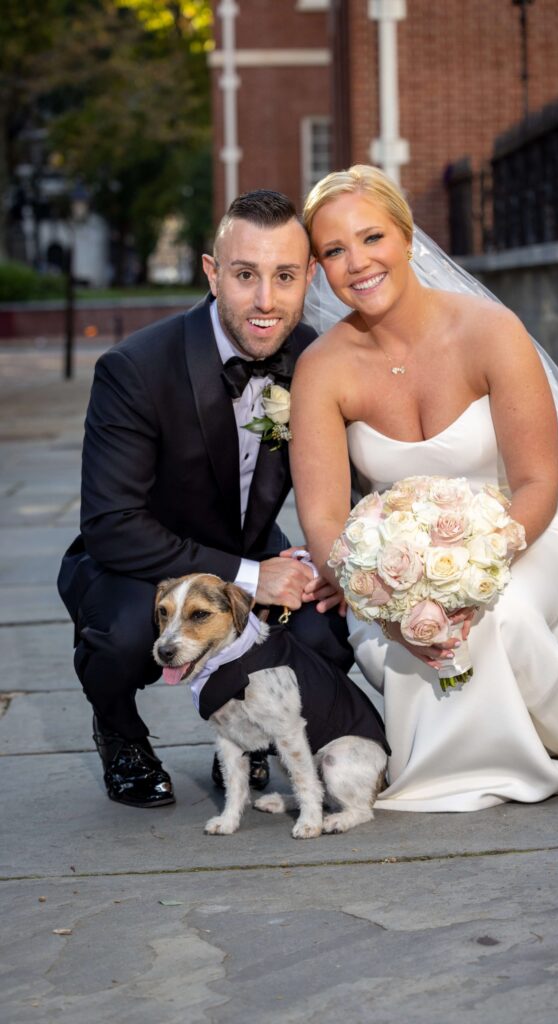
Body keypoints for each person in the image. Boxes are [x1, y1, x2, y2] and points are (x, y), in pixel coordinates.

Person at [289, 164, 558, 813]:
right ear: (321, 269)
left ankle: (529, 752)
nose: (356, 262)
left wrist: (470, 573)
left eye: (371, 238)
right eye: (333, 250)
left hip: (522, 543)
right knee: (415, 636)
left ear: (407, 236)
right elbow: (325, 517)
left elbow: (537, 482)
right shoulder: (320, 370)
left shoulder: (489, 332)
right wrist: (391, 598)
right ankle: (472, 749)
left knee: (504, 618)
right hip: (392, 571)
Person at [58, 189, 351, 808]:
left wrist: (336, 563)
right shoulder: (135, 369)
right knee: (121, 636)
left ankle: (252, 734)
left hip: (251, 547)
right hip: (139, 564)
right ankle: (121, 734)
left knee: (326, 633)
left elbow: (354, 479)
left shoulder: (318, 360)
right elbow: (112, 524)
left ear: (309, 279)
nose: (266, 301)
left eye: (285, 277)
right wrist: (252, 576)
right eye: (245, 275)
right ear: (213, 274)